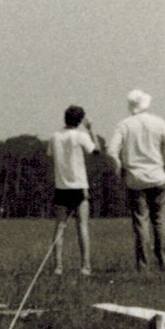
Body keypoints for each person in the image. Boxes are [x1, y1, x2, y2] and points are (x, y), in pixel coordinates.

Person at [107, 89, 165, 272]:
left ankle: (143, 265)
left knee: (141, 222)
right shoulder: (158, 122)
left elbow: (111, 151)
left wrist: (118, 171)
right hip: (157, 176)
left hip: (134, 179)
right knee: (160, 220)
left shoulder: (124, 125)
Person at [48, 104, 100, 275]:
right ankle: (85, 266)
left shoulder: (55, 136)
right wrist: (91, 130)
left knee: (60, 227)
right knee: (82, 226)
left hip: (61, 186)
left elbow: (50, 154)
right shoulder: (81, 135)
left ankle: (58, 266)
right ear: (79, 120)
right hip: (79, 186)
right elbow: (96, 150)